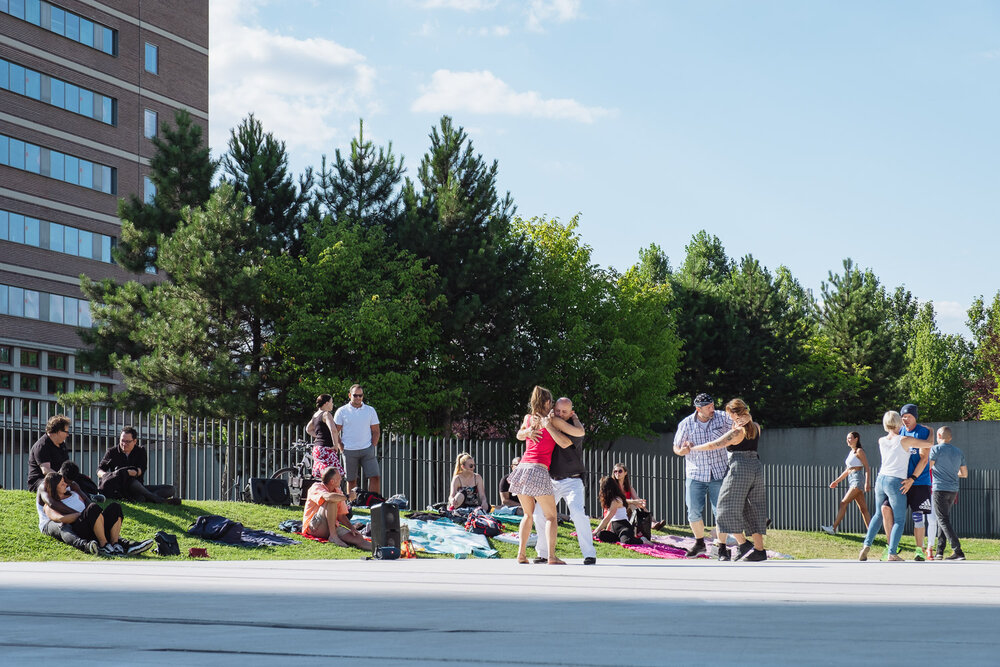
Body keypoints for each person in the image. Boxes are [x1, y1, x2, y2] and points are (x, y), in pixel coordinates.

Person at [689, 398, 767, 562]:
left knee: (724, 507)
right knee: (753, 509)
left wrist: (692, 448)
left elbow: (713, 445)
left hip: (739, 468)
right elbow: (750, 424)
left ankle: (738, 545)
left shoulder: (736, 432)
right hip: (756, 467)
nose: (728, 416)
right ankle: (759, 550)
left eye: (729, 413)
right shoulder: (756, 427)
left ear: (734, 413)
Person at [510, 385, 573, 565]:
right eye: (552, 402)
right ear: (546, 402)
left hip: (521, 469)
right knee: (551, 517)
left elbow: (519, 434)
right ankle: (552, 556)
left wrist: (528, 432)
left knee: (528, 515)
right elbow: (568, 441)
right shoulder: (551, 421)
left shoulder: (528, 418)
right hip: (538, 469)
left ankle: (521, 554)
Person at [532, 397, 597, 565]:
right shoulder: (549, 422)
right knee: (538, 514)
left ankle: (589, 554)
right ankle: (543, 553)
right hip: (551, 480)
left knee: (577, 513)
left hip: (572, 480)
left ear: (571, 413)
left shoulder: (573, 429)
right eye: (558, 410)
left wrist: (551, 425)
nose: (560, 414)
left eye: (565, 412)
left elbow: (563, 442)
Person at [859, 411, 931, 561]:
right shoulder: (904, 440)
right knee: (899, 519)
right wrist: (930, 431)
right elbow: (929, 444)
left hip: (881, 479)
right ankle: (892, 552)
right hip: (895, 480)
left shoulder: (881, 440)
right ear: (899, 423)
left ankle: (866, 544)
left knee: (878, 514)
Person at [673, 393, 736, 557]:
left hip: (719, 473)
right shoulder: (686, 424)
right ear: (698, 409)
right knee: (693, 511)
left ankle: (722, 547)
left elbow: (740, 422)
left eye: (713, 405)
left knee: (721, 512)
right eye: (708, 407)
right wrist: (682, 450)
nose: (712, 409)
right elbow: (676, 447)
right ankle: (699, 543)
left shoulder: (723, 418)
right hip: (695, 474)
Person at [37, 471, 153, 556]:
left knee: (115, 507)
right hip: (80, 524)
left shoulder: (73, 493)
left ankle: (115, 544)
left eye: (64, 482)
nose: (66, 485)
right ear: (54, 487)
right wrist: (80, 515)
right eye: (62, 484)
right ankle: (103, 545)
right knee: (92, 509)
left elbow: (87, 500)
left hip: (91, 519)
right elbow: (60, 519)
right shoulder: (50, 504)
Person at [878, 403, 934, 560]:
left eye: (908, 416)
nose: (905, 419)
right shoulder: (898, 431)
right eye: (903, 417)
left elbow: (924, 458)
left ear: (915, 417)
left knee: (917, 515)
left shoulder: (922, 432)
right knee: (885, 509)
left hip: (919, 481)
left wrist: (912, 479)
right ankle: (891, 548)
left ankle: (919, 550)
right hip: (899, 481)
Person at [97, 426, 181, 504]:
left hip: (138, 487)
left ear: (135, 441)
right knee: (133, 484)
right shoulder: (112, 452)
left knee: (170, 489)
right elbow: (99, 470)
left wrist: (135, 472)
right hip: (120, 487)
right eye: (122, 440)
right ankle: (159, 500)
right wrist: (109, 475)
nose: (124, 444)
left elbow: (142, 468)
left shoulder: (140, 451)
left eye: (127, 442)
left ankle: (147, 497)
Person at [27, 414, 100, 497]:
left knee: (84, 481)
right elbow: (46, 470)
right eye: (66, 432)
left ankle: (89, 495)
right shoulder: (42, 446)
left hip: (61, 477)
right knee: (54, 484)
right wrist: (63, 480)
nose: (67, 435)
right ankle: (81, 496)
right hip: (42, 480)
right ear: (58, 431)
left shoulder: (61, 445)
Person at [303, 466, 370, 551]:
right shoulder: (316, 487)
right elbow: (328, 497)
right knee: (332, 501)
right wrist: (348, 497)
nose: (341, 479)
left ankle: (380, 549)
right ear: (332, 481)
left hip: (332, 526)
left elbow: (341, 516)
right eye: (339, 477)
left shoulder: (338, 491)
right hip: (314, 526)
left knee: (358, 538)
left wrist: (352, 528)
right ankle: (333, 536)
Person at [334, 384, 381, 495]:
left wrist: (372, 446)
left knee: (375, 477)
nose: (358, 398)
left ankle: (373, 502)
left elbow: (376, 431)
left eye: (360, 395)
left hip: (367, 449)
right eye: (355, 395)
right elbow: (335, 432)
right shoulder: (342, 411)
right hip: (349, 450)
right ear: (350, 395)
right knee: (351, 480)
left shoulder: (370, 410)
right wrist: (341, 447)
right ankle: (352, 503)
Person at [929, 426, 968, 560]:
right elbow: (964, 474)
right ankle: (940, 551)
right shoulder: (958, 452)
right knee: (943, 519)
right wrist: (952, 472)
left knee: (943, 519)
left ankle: (958, 550)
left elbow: (928, 466)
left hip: (939, 488)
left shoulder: (935, 449)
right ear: (950, 437)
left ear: (938, 436)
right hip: (953, 490)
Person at [821, 432, 872, 534]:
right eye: (847, 438)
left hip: (857, 479)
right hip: (851, 478)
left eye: (850, 438)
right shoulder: (851, 452)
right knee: (863, 508)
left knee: (843, 502)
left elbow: (867, 467)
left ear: (856, 439)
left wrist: (867, 482)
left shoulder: (859, 451)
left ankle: (833, 528)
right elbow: (847, 470)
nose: (848, 440)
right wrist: (836, 481)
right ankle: (871, 533)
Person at [592, 475, 642, 545]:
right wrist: (605, 530)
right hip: (614, 530)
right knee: (600, 534)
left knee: (626, 542)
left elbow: (608, 517)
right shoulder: (611, 500)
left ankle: (642, 540)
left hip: (624, 528)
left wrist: (595, 531)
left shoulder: (616, 500)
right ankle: (620, 538)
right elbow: (611, 519)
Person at [306, 393, 344, 478]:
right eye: (331, 402)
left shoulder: (315, 415)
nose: (332, 404)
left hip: (317, 449)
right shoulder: (326, 414)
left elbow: (308, 429)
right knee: (335, 475)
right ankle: (334, 491)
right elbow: (333, 430)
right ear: (326, 403)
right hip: (327, 448)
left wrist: (319, 437)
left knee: (323, 476)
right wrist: (335, 445)